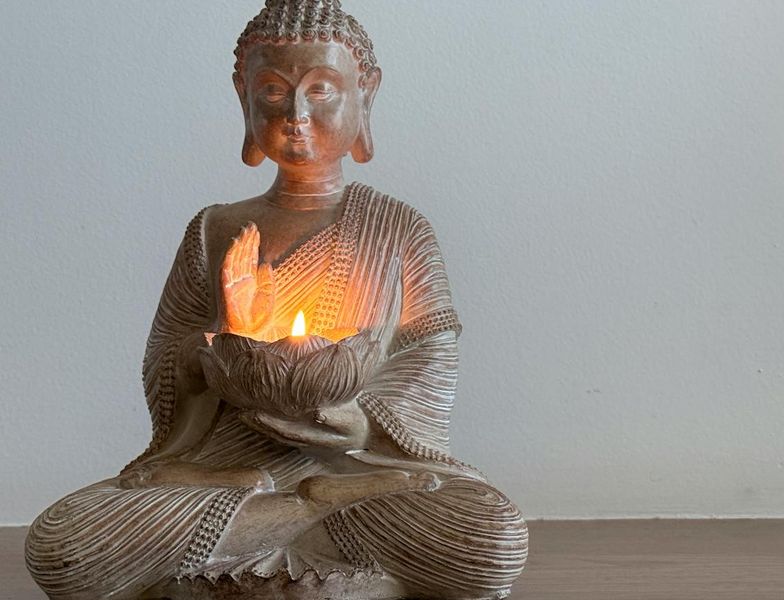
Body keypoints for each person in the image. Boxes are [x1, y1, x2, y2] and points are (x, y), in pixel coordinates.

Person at [24, 2, 528, 598]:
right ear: (243, 97)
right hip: (223, 471)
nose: (295, 113)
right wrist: (216, 345)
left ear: (365, 94)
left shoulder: (398, 227)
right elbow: (165, 360)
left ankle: (298, 511)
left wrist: (362, 423)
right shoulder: (214, 229)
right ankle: (302, 513)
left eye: (321, 89)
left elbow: (428, 360)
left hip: (358, 465)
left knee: (494, 539)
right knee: (61, 543)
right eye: (272, 90)